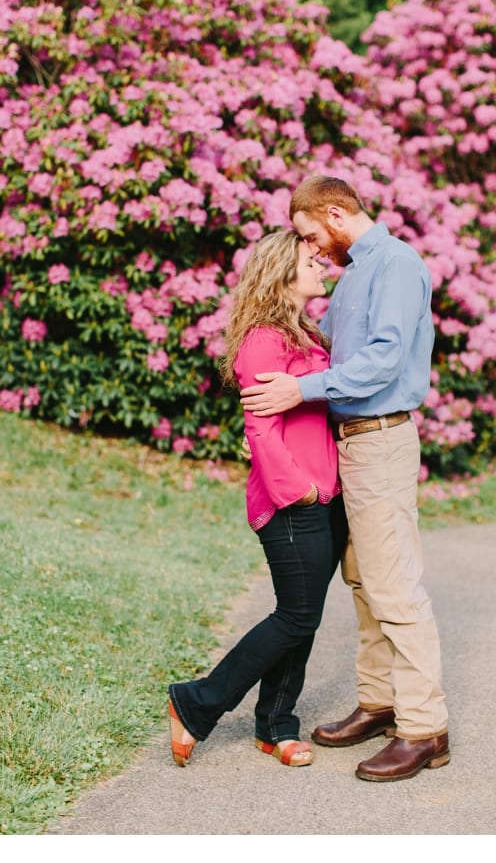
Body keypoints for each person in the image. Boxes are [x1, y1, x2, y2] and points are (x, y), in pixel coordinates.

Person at [240, 175, 450, 783]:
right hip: (351, 443)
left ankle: (423, 728)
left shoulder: (396, 266)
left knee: (394, 586)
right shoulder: (356, 270)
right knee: (364, 582)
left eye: (311, 233)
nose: (313, 249)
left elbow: (383, 359)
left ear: (336, 212)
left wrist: (297, 389)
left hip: (380, 438)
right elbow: (337, 354)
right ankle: (380, 700)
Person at [168, 229, 343, 769]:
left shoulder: (306, 334)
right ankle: (196, 702)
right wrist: (303, 491)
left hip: (326, 496)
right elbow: (261, 431)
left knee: (304, 617)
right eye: (308, 256)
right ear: (279, 269)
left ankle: (275, 723)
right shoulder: (265, 338)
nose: (319, 261)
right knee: (294, 616)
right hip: (293, 501)